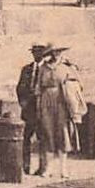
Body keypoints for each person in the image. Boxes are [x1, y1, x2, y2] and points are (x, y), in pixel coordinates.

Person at [34, 45, 71, 176]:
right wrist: (39, 107)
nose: (57, 54)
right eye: (55, 52)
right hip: (46, 101)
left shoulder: (67, 68)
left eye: (60, 51)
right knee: (47, 133)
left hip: (61, 101)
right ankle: (48, 168)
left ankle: (63, 169)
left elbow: (75, 87)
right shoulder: (43, 68)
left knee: (62, 134)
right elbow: (38, 88)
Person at [17, 43, 48, 175]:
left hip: (42, 110)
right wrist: (23, 102)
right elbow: (19, 87)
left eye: (39, 53)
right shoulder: (26, 69)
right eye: (34, 53)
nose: (36, 55)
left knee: (43, 140)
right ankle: (25, 166)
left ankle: (42, 167)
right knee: (26, 139)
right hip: (28, 110)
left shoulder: (47, 70)